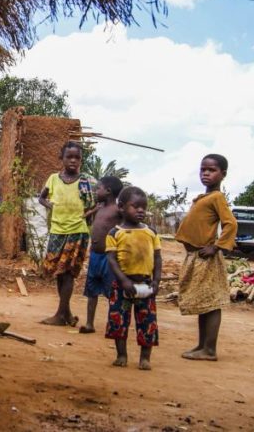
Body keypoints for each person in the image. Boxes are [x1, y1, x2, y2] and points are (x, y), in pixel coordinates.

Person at [174, 154, 237, 361]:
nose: (206, 173)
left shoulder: (217, 197)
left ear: (223, 174)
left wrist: (217, 247)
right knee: (203, 302)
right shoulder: (205, 198)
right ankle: (203, 345)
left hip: (206, 257)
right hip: (196, 256)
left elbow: (231, 224)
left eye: (211, 170)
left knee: (210, 303)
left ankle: (210, 349)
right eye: (203, 170)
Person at [38, 142, 97, 327]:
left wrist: (85, 217)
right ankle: (67, 314)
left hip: (77, 232)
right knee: (58, 272)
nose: (73, 160)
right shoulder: (53, 179)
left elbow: (95, 205)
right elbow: (41, 197)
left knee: (68, 273)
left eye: (77, 157)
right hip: (57, 230)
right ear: (61, 159)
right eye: (69, 157)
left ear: (81, 160)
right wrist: (50, 206)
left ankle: (59, 315)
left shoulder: (86, 181)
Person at [105, 187, 162, 370]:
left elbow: (158, 258)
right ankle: (121, 355)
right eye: (135, 206)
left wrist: (156, 281)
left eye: (143, 207)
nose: (140, 210)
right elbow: (111, 260)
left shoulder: (151, 232)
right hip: (122, 285)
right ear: (121, 207)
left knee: (147, 323)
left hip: (145, 284)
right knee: (118, 320)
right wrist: (123, 280)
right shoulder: (115, 233)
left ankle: (145, 358)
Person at [80, 176, 124, 334]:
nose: (95, 191)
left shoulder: (118, 210)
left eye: (98, 188)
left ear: (108, 191)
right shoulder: (99, 207)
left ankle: (113, 325)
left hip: (110, 258)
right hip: (95, 256)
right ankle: (89, 324)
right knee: (92, 291)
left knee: (112, 293)